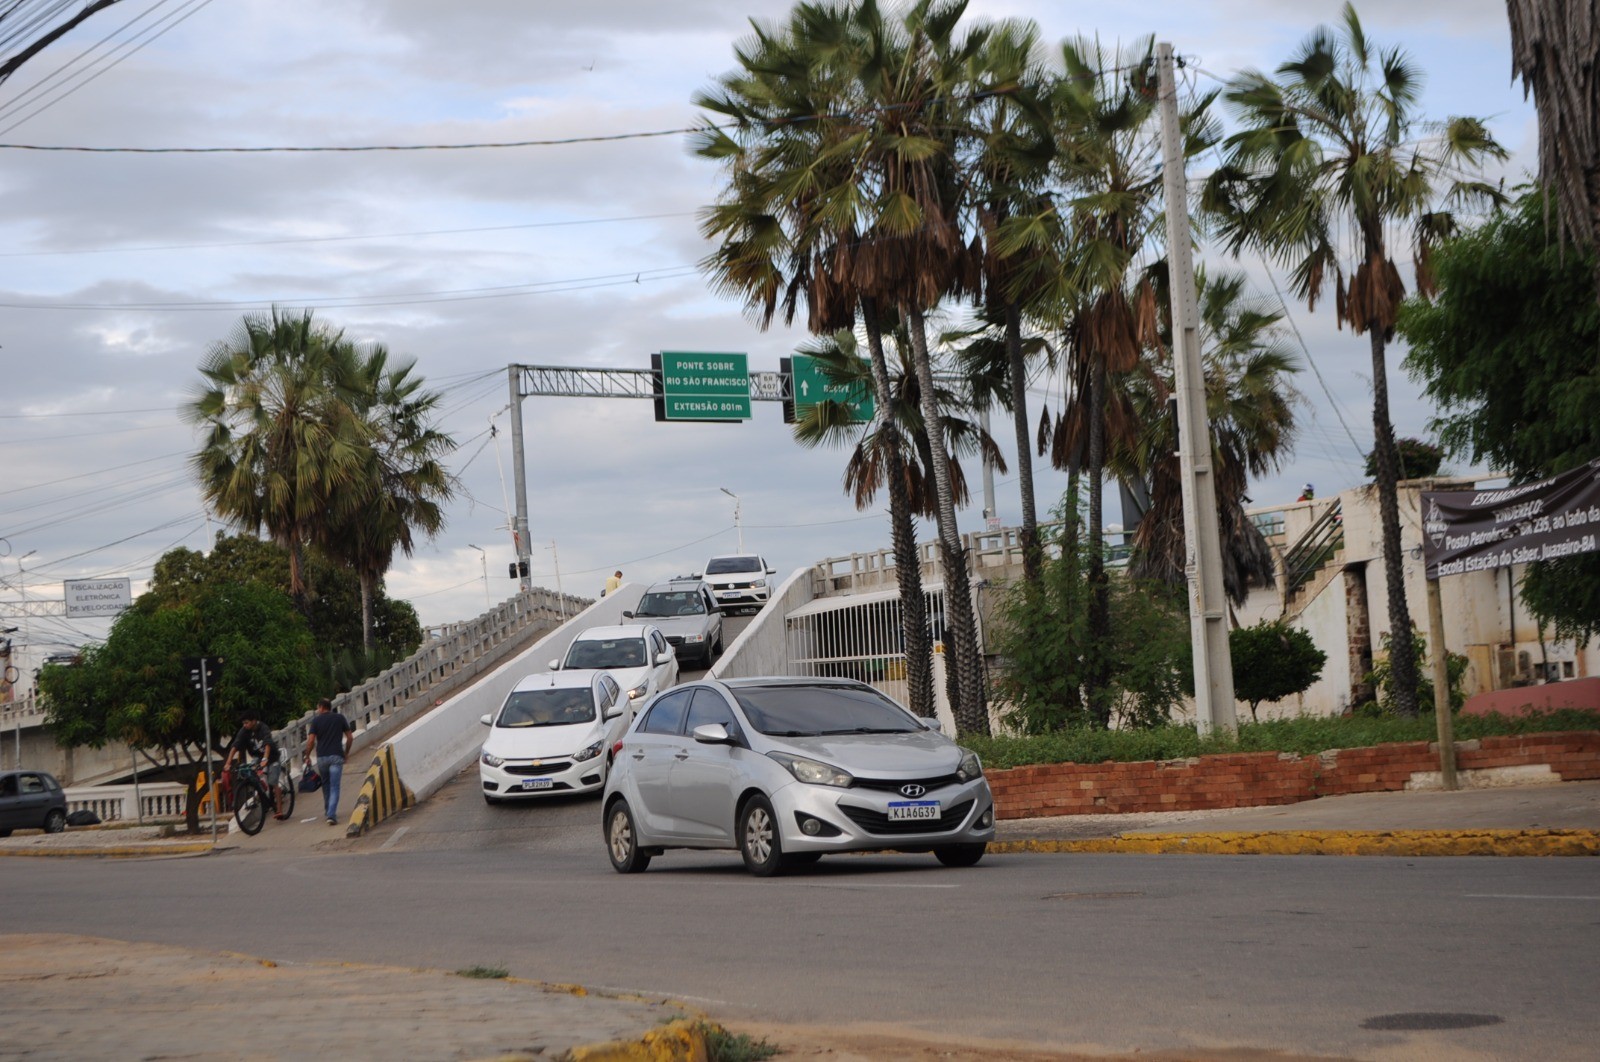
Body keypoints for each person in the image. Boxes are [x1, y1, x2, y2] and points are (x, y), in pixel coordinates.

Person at [223, 711, 285, 819]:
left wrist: (265, 758)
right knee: (250, 772)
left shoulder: (263, 728)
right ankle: (262, 794)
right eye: (243, 723)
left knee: (273, 781)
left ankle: (279, 810)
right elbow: (235, 745)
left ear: (254, 721)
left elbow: (267, 743)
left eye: (247, 723)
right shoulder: (244, 731)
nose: (245, 725)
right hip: (257, 757)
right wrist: (228, 762)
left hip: (271, 757)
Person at [304, 696, 354, 826]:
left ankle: (328, 811)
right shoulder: (339, 718)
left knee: (326, 785)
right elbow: (350, 737)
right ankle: (331, 814)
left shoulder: (316, 721)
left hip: (322, 758)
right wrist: (346, 753)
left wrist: (307, 756)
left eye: (318, 707)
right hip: (336, 756)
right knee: (335, 786)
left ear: (321, 707)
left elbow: (310, 741)